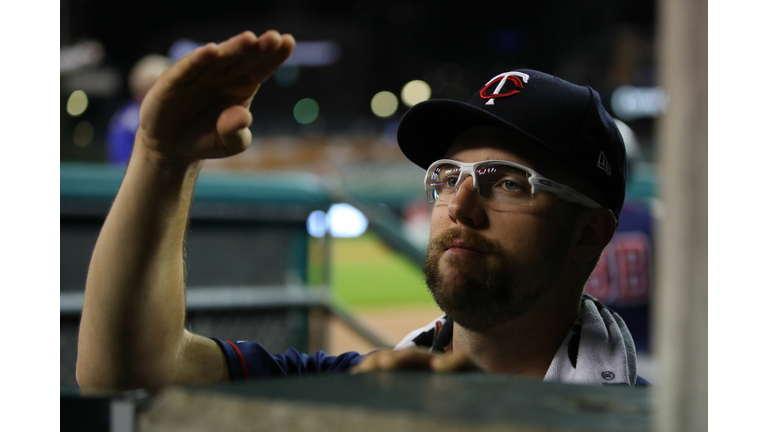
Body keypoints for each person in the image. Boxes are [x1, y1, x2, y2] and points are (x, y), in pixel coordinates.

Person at [76, 30, 647, 394]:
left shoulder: (659, 417)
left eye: (509, 184)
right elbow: (129, 369)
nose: (460, 207)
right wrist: (163, 160)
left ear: (588, 233)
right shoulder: (359, 386)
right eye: (448, 177)